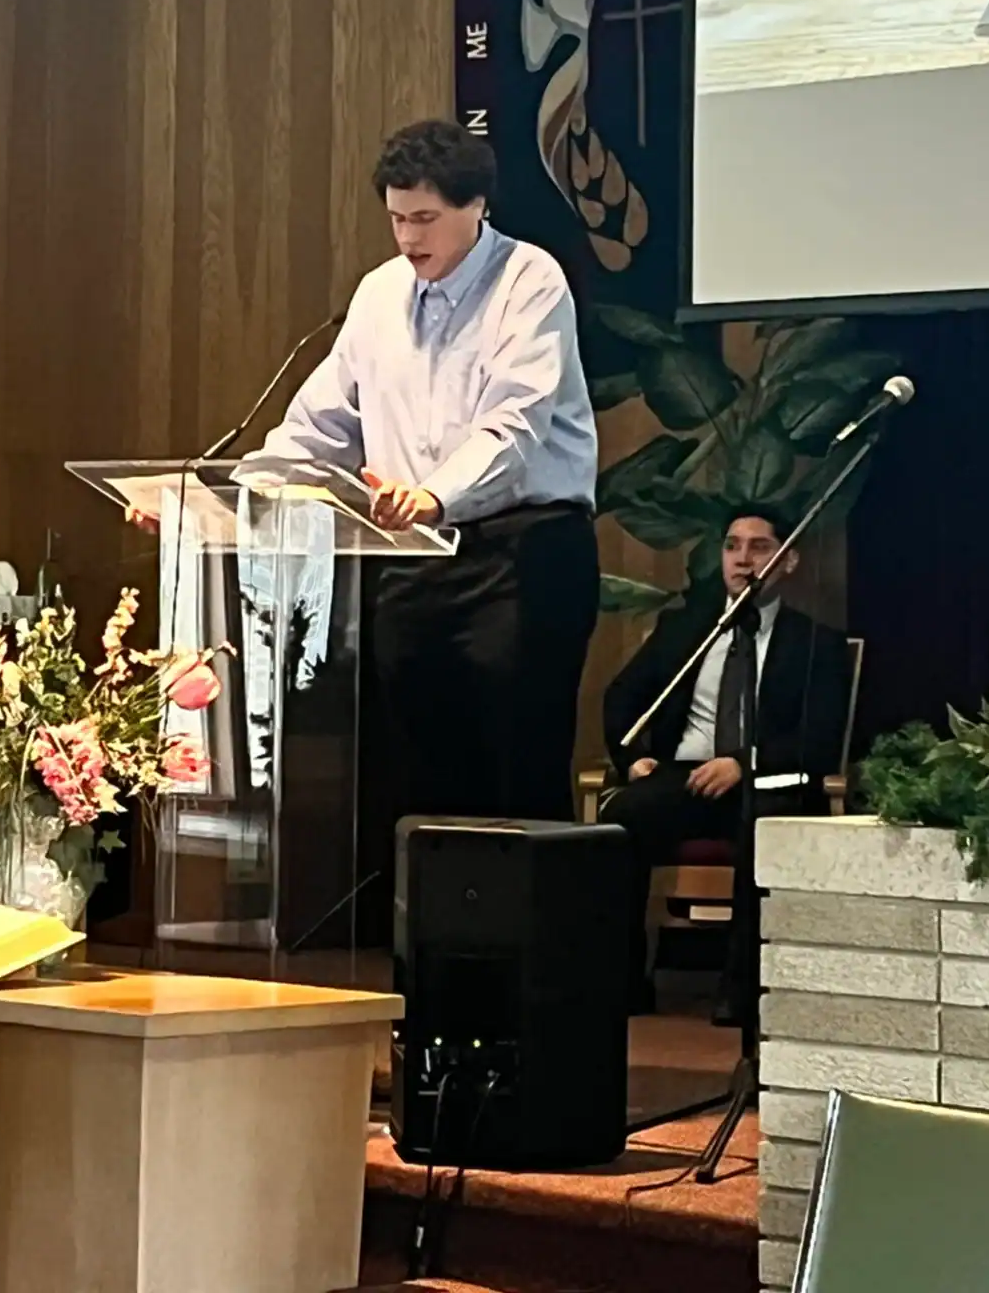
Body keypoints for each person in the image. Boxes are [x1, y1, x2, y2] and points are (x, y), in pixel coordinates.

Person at [248, 119, 599, 823]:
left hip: (520, 554)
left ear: (477, 206)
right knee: (410, 776)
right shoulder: (378, 293)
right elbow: (322, 424)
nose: (408, 239)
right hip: (408, 557)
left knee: (514, 771)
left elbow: (515, 426)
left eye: (425, 220)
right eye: (397, 219)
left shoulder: (529, 280)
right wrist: (236, 493)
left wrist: (434, 496)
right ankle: (423, 901)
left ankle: (521, 902)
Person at [599, 505, 851, 1018]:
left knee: (765, 826)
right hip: (684, 778)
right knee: (620, 818)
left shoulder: (815, 643)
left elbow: (819, 739)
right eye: (732, 546)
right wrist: (632, 761)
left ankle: (742, 994)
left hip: (766, 781)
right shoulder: (685, 629)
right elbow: (622, 696)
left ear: (788, 560)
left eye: (760, 547)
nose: (743, 559)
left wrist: (743, 763)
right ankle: (620, 986)